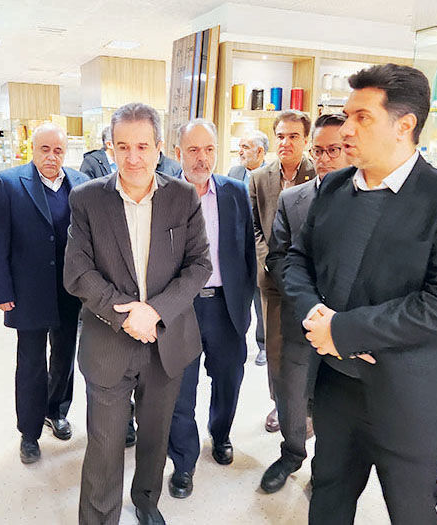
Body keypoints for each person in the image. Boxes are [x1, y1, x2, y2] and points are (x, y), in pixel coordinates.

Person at [283, 64, 437, 525]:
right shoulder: (334, 188)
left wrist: (344, 330)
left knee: (411, 509)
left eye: (362, 117)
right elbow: (297, 260)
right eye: (346, 116)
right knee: (328, 496)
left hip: (409, 392)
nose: (346, 129)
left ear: (404, 125)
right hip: (337, 386)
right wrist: (315, 314)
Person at [64, 102, 212, 525]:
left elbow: (199, 265)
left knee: (155, 436)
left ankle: (146, 502)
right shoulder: (87, 199)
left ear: (159, 148)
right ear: (110, 148)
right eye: (123, 146)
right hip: (109, 341)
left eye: (143, 146)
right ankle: (99, 518)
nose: (133, 157)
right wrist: (126, 315)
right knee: (105, 444)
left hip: (167, 341)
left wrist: (155, 311)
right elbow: (77, 272)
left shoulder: (182, 196)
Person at [0, 123, 89, 464]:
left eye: (58, 150)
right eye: (45, 149)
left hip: (69, 291)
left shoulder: (80, 183)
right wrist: (1, 290)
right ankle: (29, 433)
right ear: (33, 149)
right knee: (31, 362)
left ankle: (55, 411)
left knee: (64, 355)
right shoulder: (8, 184)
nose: (51, 157)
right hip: (27, 291)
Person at [259, 113, 349, 493]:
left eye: (334, 150)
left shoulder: (368, 201)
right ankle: (291, 453)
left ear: (349, 150)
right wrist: (311, 306)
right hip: (301, 317)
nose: (325, 159)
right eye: (320, 151)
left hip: (347, 325)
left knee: (335, 402)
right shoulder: (292, 199)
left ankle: (326, 468)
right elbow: (278, 257)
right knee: (291, 393)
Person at [166, 119, 256, 499]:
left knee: (228, 379)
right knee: (180, 389)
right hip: (180, 308)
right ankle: (183, 462)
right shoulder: (164, 194)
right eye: (193, 150)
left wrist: (243, 304)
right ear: (178, 153)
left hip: (224, 306)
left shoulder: (236, 192)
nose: (201, 158)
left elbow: (247, 252)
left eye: (209, 150)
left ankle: (220, 434)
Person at [249, 110, 315, 433]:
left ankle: (308, 407)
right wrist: (266, 261)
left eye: (293, 136)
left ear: (306, 140)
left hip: (311, 280)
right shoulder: (259, 178)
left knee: (309, 345)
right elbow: (254, 228)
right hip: (272, 278)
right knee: (275, 348)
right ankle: (280, 404)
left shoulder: (319, 174)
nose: (286, 142)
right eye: (280, 136)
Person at [227, 130, 270, 366]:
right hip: (236, 247)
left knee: (260, 299)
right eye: (240, 146)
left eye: (245, 147)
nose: (240, 151)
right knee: (237, 297)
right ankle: (235, 341)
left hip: (259, 247)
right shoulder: (234, 173)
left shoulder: (269, 176)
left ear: (260, 151)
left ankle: (263, 345)